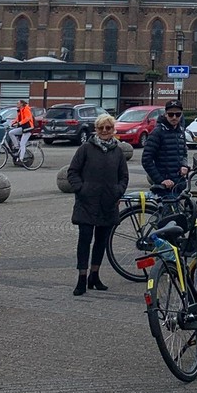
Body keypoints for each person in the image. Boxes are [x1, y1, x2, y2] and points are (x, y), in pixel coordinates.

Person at [67, 113, 129, 295]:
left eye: (108, 127)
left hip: (108, 203)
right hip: (87, 202)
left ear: (113, 130)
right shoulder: (86, 148)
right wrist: (81, 189)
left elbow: (123, 176)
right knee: (84, 240)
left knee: (101, 241)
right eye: (101, 127)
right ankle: (82, 277)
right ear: (96, 129)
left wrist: (118, 191)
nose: (104, 131)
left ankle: (94, 275)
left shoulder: (117, 151)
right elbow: (72, 172)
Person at [141, 100, 190, 191]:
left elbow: (184, 153)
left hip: (179, 184)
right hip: (164, 187)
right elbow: (146, 159)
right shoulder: (157, 132)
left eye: (178, 114)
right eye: (171, 114)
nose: (174, 117)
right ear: (165, 114)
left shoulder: (180, 131)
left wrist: (184, 165)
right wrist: (161, 180)